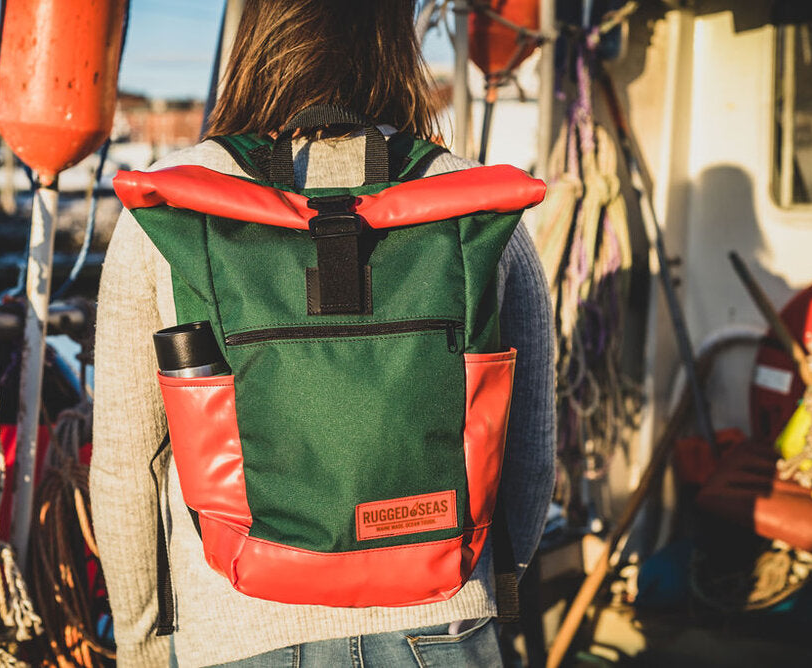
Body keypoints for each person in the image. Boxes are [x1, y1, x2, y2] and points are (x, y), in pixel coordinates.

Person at [91, 1, 555, 665]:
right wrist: (485, 580)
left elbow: (125, 465)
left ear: (257, 39)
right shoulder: (472, 202)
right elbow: (532, 450)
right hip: (442, 622)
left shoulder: (173, 202)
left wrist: (140, 645)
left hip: (238, 633)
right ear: (395, 42)